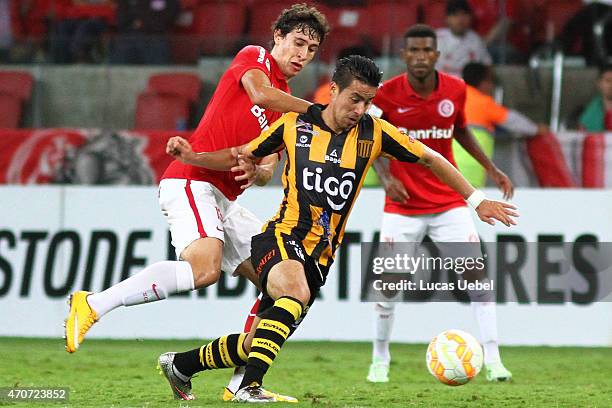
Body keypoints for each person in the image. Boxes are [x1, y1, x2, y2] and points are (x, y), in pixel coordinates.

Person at [158, 55, 518, 402]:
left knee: (257, 341)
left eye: (368, 101)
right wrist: (194, 159)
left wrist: (476, 200)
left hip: (320, 257)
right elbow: (242, 155)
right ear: (333, 90)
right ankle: (248, 388)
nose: (360, 109)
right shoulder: (292, 124)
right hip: (280, 237)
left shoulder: (373, 133)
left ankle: (180, 365)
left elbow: (430, 157)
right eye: (354, 99)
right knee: (294, 292)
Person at [65, 1, 328, 363]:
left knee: (283, 284)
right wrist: (319, 111)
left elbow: (268, 169)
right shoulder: (256, 60)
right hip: (192, 181)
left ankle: (242, 383)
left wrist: (258, 172)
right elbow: (259, 94)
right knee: (204, 270)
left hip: (226, 201)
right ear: (277, 36)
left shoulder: (287, 112)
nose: (303, 54)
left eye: (311, 49)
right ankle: (93, 303)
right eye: (298, 42)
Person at [365, 24, 514, 384]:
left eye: (425, 51)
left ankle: (493, 359)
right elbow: (368, 138)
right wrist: (387, 178)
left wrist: (490, 168)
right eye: (412, 51)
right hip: (403, 205)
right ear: (404, 55)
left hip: (449, 201)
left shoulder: (455, 89)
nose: (419, 57)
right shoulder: (386, 95)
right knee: (389, 284)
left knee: (476, 276)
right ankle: (380, 357)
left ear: (436, 55)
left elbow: (459, 129)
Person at [454, 61, 548, 186]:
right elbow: (513, 120)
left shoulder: (454, 97)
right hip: (470, 166)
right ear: (484, 83)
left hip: (448, 163)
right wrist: (537, 129)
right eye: (491, 81)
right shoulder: (483, 103)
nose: (492, 86)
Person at [110, 0, 180, 64]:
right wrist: (144, 19)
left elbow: (169, 17)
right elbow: (121, 20)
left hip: (156, 36)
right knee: (120, 46)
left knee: (158, 47)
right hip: (129, 35)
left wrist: (144, 22)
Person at [435, 0, 491, 77]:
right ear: (447, 18)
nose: (460, 20)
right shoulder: (436, 38)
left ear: (470, 17)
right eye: (455, 15)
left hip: (467, 86)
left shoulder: (476, 40)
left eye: (464, 14)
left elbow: (487, 66)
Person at [579, 64, 612, 131]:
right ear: (599, 83)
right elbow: (582, 131)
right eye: (608, 80)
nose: (611, 85)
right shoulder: (591, 110)